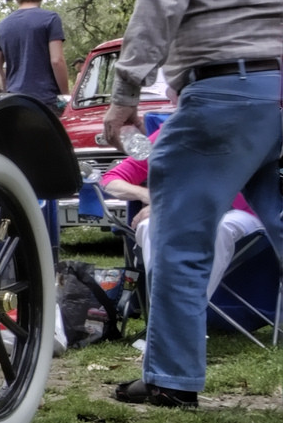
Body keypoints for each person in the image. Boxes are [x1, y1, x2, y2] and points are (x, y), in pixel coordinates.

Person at [102, 0, 283, 408]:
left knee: (180, 239)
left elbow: (159, 6)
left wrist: (125, 92)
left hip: (224, 94)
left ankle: (172, 379)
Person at [98, 125, 260, 300]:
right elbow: (111, 180)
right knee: (149, 226)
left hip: (238, 213)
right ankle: (163, 314)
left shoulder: (250, 128)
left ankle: (186, 316)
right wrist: (156, 199)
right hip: (177, 214)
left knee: (217, 229)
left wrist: (175, 204)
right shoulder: (171, 133)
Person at [0, 0, 70, 105]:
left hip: (14, 100)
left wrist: (6, 91)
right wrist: (65, 95)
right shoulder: (50, 19)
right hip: (46, 100)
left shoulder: (3, 25)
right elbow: (57, 61)